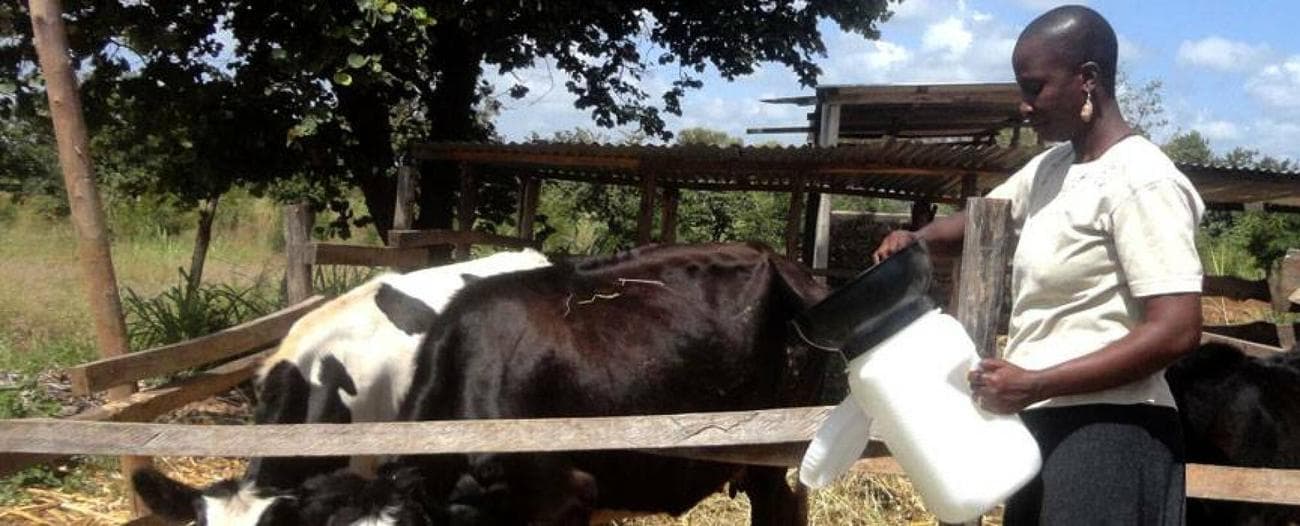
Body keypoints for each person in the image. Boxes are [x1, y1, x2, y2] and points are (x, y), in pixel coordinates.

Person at [873, 5, 1203, 525]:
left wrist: (1039, 382)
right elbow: (982, 221)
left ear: (1087, 80)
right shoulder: (1053, 168)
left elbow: (1178, 329)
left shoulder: (1142, 180)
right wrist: (915, 238)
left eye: (1034, 88)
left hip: (1110, 435)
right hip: (1040, 426)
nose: (1023, 106)